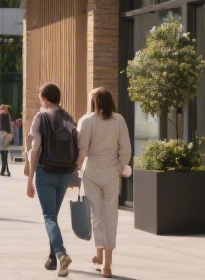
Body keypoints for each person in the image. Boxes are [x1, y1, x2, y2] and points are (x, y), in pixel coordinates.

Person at [77, 88, 131, 279]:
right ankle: (106, 262)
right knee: (111, 216)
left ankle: (100, 254)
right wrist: (120, 166)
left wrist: (75, 168)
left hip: (91, 170)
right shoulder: (119, 120)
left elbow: (81, 149)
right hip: (110, 171)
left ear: (94, 102)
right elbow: (125, 149)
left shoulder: (87, 120)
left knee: (95, 214)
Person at [27, 83, 79, 277]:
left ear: (46, 99)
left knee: (49, 217)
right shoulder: (69, 118)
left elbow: (35, 149)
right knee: (53, 218)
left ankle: (61, 254)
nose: (40, 100)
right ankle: (53, 258)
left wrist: (30, 178)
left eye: (41, 97)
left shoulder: (41, 116)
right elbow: (77, 146)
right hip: (64, 173)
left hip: (45, 171)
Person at [0, 104, 15, 176]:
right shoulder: (5, 115)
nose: (6, 111)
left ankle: (4, 170)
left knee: (3, 153)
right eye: (6, 109)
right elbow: (7, 125)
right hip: (4, 134)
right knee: (5, 153)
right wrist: (10, 133)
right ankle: (5, 170)